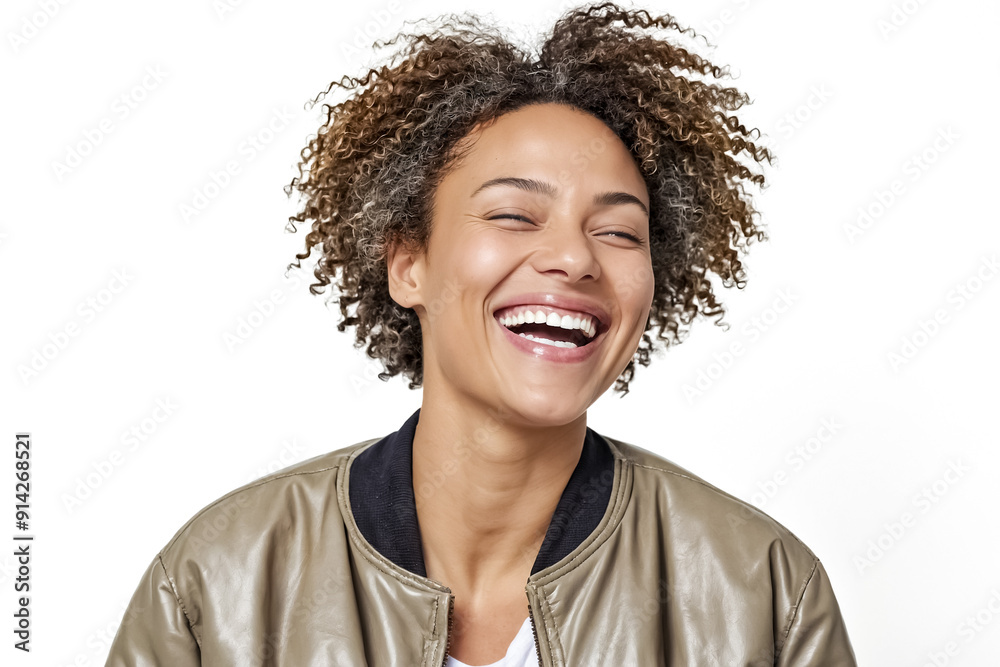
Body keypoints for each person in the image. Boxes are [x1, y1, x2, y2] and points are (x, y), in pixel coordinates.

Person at [106, 3, 857, 665]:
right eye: (512, 215)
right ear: (409, 264)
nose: (573, 256)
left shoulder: (764, 595)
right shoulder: (216, 582)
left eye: (619, 231)